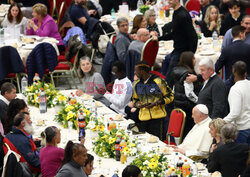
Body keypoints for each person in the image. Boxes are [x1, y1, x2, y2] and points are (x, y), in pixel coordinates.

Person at [159, 0, 197, 87]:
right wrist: (159, 39)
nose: (168, 1)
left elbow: (192, 36)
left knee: (169, 79)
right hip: (177, 49)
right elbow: (175, 34)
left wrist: (190, 54)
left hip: (182, 52)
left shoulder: (182, 15)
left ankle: (166, 96)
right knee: (166, 61)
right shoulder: (176, 13)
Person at [133, 61, 174, 140]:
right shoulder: (136, 84)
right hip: (143, 120)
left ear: (142, 71)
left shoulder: (158, 81)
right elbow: (135, 100)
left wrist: (157, 103)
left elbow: (170, 96)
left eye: (136, 70)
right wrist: (138, 105)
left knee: (158, 143)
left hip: (157, 121)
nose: (134, 72)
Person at [171, 51, 202, 139]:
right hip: (188, 106)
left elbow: (174, 88)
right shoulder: (188, 74)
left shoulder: (177, 70)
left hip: (179, 104)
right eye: (193, 58)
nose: (195, 60)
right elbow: (189, 94)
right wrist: (198, 101)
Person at [224, 61, 250, 146]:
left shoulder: (235, 89)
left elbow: (235, 113)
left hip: (242, 129)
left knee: (241, 158)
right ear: (245, 73)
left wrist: (222, 121)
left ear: (233, 71)